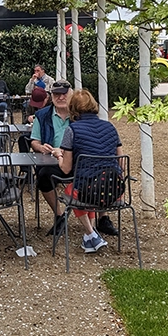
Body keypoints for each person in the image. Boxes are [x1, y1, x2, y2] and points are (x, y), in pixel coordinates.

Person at [50, 89, 123, 253]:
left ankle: (91, 234)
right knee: (84, 188)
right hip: (115, 190)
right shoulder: (110, 126)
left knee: (73, 190)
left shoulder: (72, 130)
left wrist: (58, 155)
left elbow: (66, 168)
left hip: (89, 190)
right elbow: (122, 162)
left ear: (73, 108)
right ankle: (90, 237)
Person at [31, 80, 74, 236]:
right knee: (43, 176)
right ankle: (59, 215)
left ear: (71, 94)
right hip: (52, 162)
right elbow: (34, 142)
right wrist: (41, 147)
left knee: (96, 170)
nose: (61, 97)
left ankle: (102, 218)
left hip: (75, 160)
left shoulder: (80, 114)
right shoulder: (41, 115)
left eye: (64, 94)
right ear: (51, 96)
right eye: (57, 94)